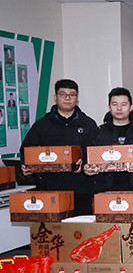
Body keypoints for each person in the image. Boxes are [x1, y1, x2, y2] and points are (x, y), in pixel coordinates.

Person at [20, 79, 98, 215]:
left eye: (72, 94)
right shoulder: (42, 125)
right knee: (53, 228)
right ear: (55, 97)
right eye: (63, 94)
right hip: (50, 189)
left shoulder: (88, 124)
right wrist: (26, 164)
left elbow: (96, 152)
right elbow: (26, 150)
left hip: (81, 189)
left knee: (82, 227)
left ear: (77, 98)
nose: (67, 98)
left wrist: (85, 162)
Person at [83, 87, 133, 193]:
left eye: (124, 104)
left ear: (131, 107)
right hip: (106, 188)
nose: (119, 108)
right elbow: (87, 156)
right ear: (109, 107)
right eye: (114, 104)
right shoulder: (99, 132)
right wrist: (86, 167)